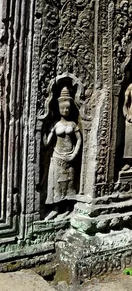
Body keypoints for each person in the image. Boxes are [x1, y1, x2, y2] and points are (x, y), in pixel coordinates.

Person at [44, 86, 81, 220]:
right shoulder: (55, 125)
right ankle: (55, 208)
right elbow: (47, 142)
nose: (65, 110)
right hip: (57, 156)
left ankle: (67, 208)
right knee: (56, 183)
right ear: (58, 109)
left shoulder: (73, 124)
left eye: (67, 108)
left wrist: (74, 154)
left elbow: (79, 140)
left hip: (69, 156)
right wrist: (43, 132)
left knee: (69, 183)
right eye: (62, 108)